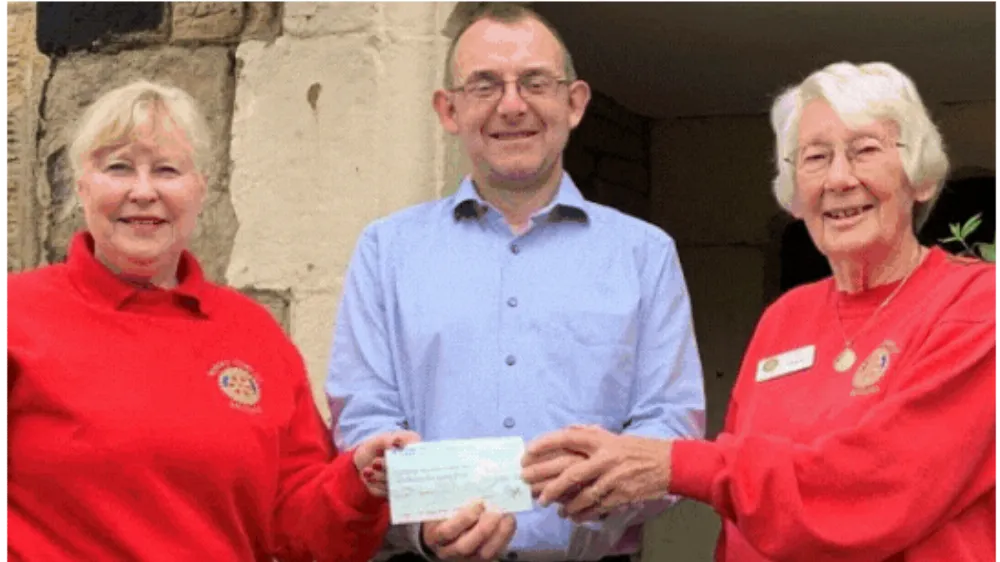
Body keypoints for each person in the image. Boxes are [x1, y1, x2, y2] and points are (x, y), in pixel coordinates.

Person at [522, 61, 994, 562]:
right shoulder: (785, 318)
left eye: (865, 151)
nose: (838, 178)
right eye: (815, 157)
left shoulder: (977, 304)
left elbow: (875, 483)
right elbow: (744, 522)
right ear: (794, 196)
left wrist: (675, 464)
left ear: (920, 179)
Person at [325, 4, 706, 562]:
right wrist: (424, 521)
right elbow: (363, 415)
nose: (512, 105)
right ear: (448, 110)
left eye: (534, 82)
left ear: (574, 103)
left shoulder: (645, 255)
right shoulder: (387, 251)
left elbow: (671, 424)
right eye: (484, 85)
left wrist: (607, 489)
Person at [7, 80, 419, 562]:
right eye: (118, 168)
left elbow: (301, 530)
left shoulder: (252, 332)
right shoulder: (17, 315)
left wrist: (360, 480)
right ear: (82, 187)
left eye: (166, 170)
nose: (143, 192)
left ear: (201, 189)